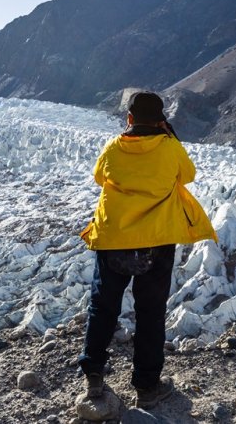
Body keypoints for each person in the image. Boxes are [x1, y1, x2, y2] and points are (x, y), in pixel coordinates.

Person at [79, 91, 218, 409]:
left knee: (103, 308)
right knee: (150, 311)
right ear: (161, 120)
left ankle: (94, 378)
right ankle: (147, 385)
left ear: (129, 119)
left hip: (113, 239)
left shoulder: (114, 147)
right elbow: (189, 175)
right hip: (155, 241)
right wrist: (169, 139)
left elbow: (99, 176)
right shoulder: (170, 147)